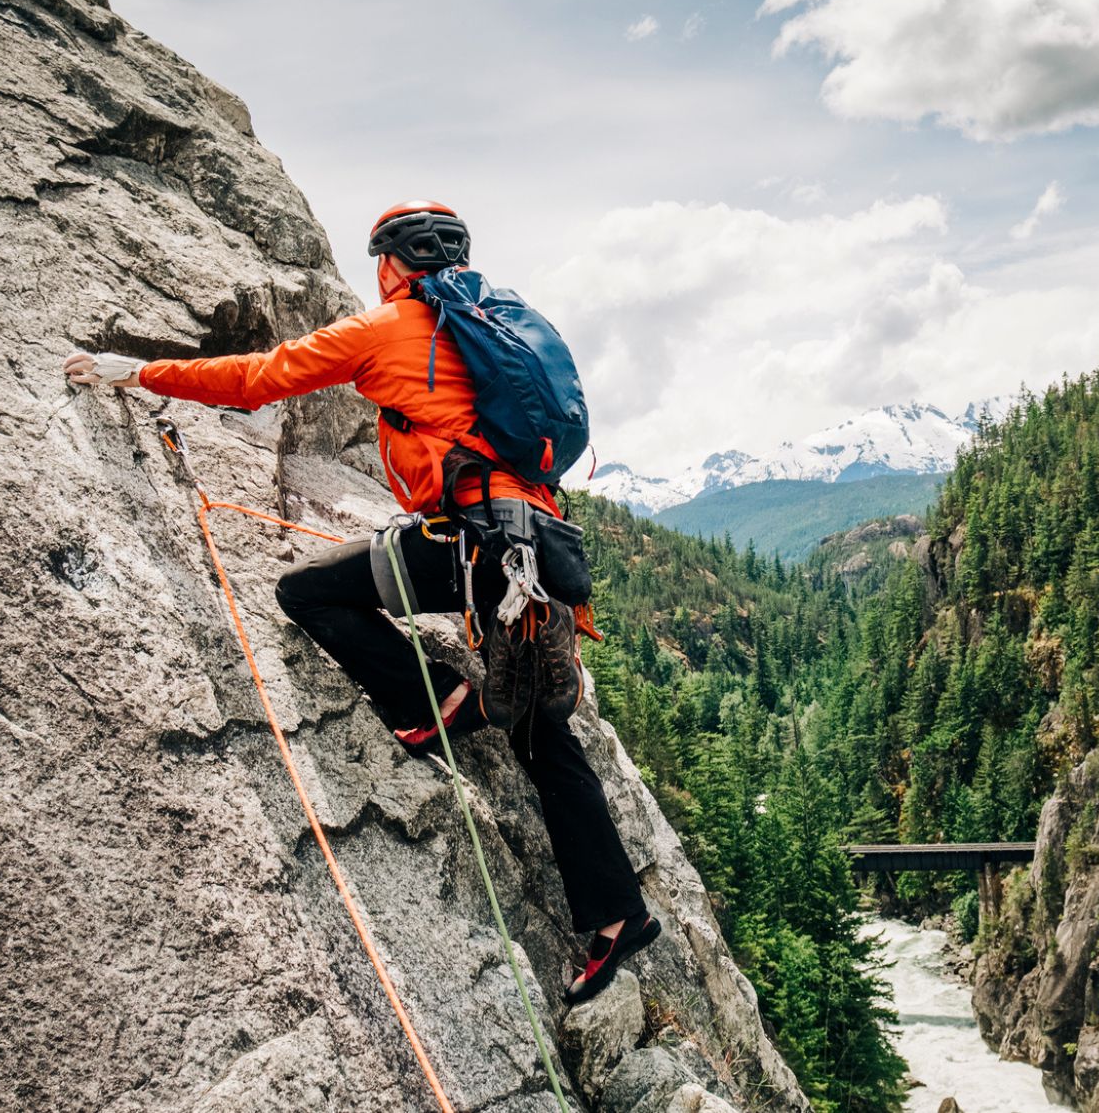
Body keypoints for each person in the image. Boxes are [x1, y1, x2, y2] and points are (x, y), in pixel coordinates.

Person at [63, 200, 656, 1004]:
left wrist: (134, 371)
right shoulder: (504, 322)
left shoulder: (383, 328)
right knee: (538, 729)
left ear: (388, 264)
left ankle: (450, 718)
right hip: (534, 544)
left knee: (312, 595)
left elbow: (258, 379)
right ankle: (603, 896)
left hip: (472, 548)